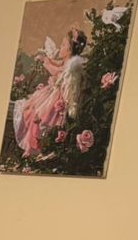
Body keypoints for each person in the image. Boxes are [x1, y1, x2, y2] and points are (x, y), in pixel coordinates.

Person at [12, 28, 87, 158]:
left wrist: (46, 63)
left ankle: (34, 148)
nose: (60, 47)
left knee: (40, 116)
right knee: (32, 109)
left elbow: (56, 71)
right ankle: (31, 147)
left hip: (56, 98)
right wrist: (47, 58)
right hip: (51, 93)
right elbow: (57, 63)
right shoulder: (66, 61)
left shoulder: (71, 66)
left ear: (69, 50)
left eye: (63, 45)